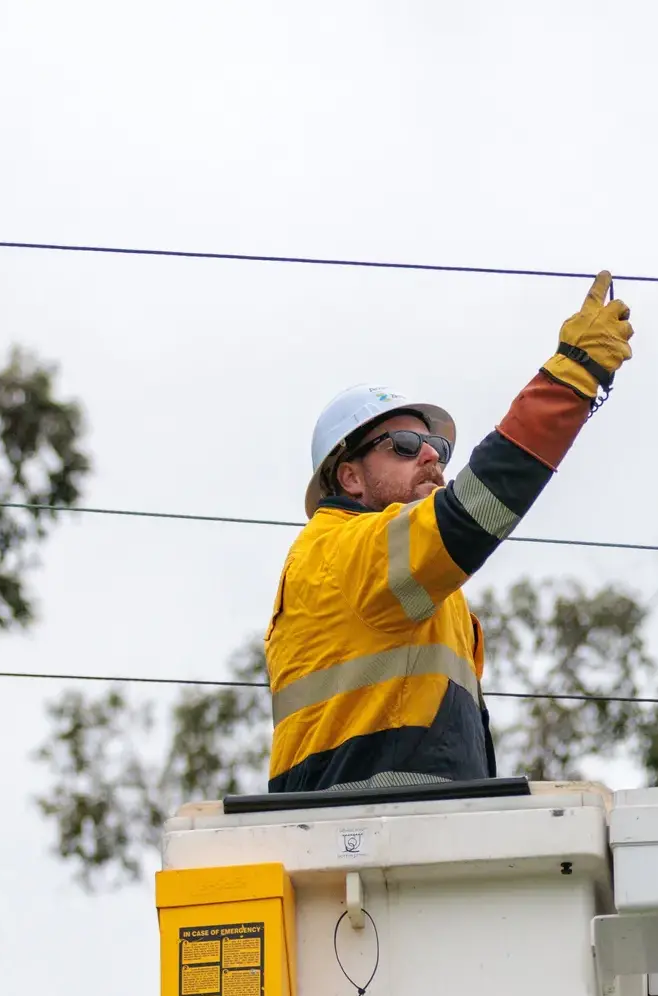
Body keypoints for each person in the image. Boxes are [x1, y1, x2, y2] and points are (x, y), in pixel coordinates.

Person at [265, 272, 634, 794]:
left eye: (436, 446)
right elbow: (475, 508)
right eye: (404, 443)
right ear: (349, 476)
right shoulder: (342, 550)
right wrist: (572, 376)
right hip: (375, 839)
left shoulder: (411, 584)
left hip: (393, 840)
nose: (431, 456)